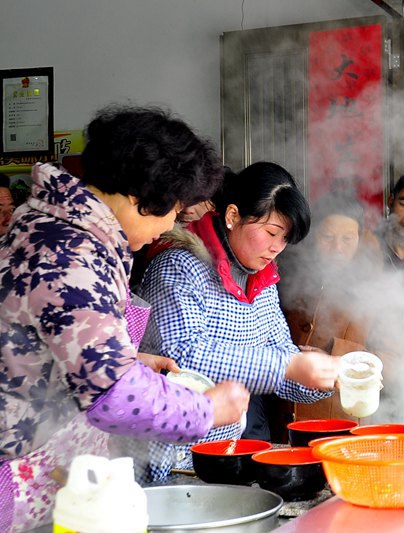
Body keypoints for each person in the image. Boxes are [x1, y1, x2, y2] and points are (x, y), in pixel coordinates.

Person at [0, 105, 250, 532]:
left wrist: (128, 359)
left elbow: (57, 346)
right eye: (174, 210)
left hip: (57, 478)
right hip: (21, 482)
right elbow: (112, 397)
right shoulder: (69, 254)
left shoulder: (58, 227)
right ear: (142, 198)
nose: (172, 225)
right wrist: (206, 409)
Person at [137, 161, 339, 481]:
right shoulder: (179, 266)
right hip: (164, 456)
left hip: (221, 456)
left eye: (284, 238)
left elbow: (281, 362)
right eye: (271, 232)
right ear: (232, 216)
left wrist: (328, 378)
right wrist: (288, 365)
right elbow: (182, 356)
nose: (277, 248)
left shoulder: (262, 281)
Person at [248, 190, 377, 439]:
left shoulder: (375, 288)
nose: (337, 248)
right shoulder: (281, 276)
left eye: (347, 239)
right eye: (328, 237)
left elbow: (394, 357)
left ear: (360, 239)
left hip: (340, 422)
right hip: (280, 419)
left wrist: (335, 357)